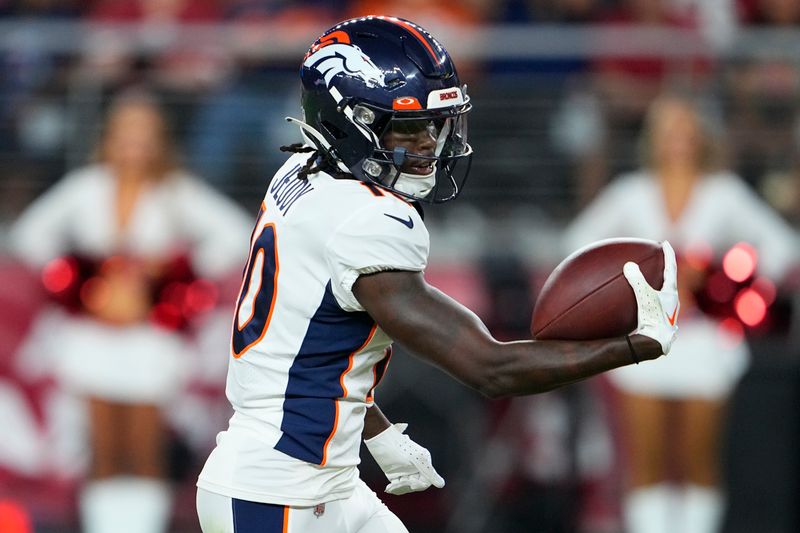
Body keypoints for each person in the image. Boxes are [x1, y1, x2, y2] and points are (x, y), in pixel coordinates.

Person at [195, 16, 680, 533]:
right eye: (406, 125)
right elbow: (489, 368)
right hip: (276, 495)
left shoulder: (301, 170)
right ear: (348, 121)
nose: (427, 142)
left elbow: (308, 343)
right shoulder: (368, 218)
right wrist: (634, 345)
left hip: (320, 482)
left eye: (433, 124)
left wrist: (373, 429)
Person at [9, 90, 252, 533]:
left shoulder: (177, 193)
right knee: (101, 444)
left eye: (144, 135)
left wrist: (170, 280)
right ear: (110, 137)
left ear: (159, 140)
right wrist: (81, 283)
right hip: (92, 337)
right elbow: (30, 237)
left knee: (143, 445)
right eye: (126, 134)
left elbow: (235, 236)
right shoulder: (87, 187)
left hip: (149, 338)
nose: (134, 144)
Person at [564, 94, 799, 533]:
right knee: (647, 461)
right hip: (644, 339)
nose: (679, 141)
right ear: (655, 138)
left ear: (700, 137)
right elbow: (577, 244)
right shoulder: (630, 192)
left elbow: (783, 246)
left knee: (698, 459)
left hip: (705, 338)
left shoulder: (723, 192)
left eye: (687, 131)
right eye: (670, 131)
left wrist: (725, 279)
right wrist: (633, 280)